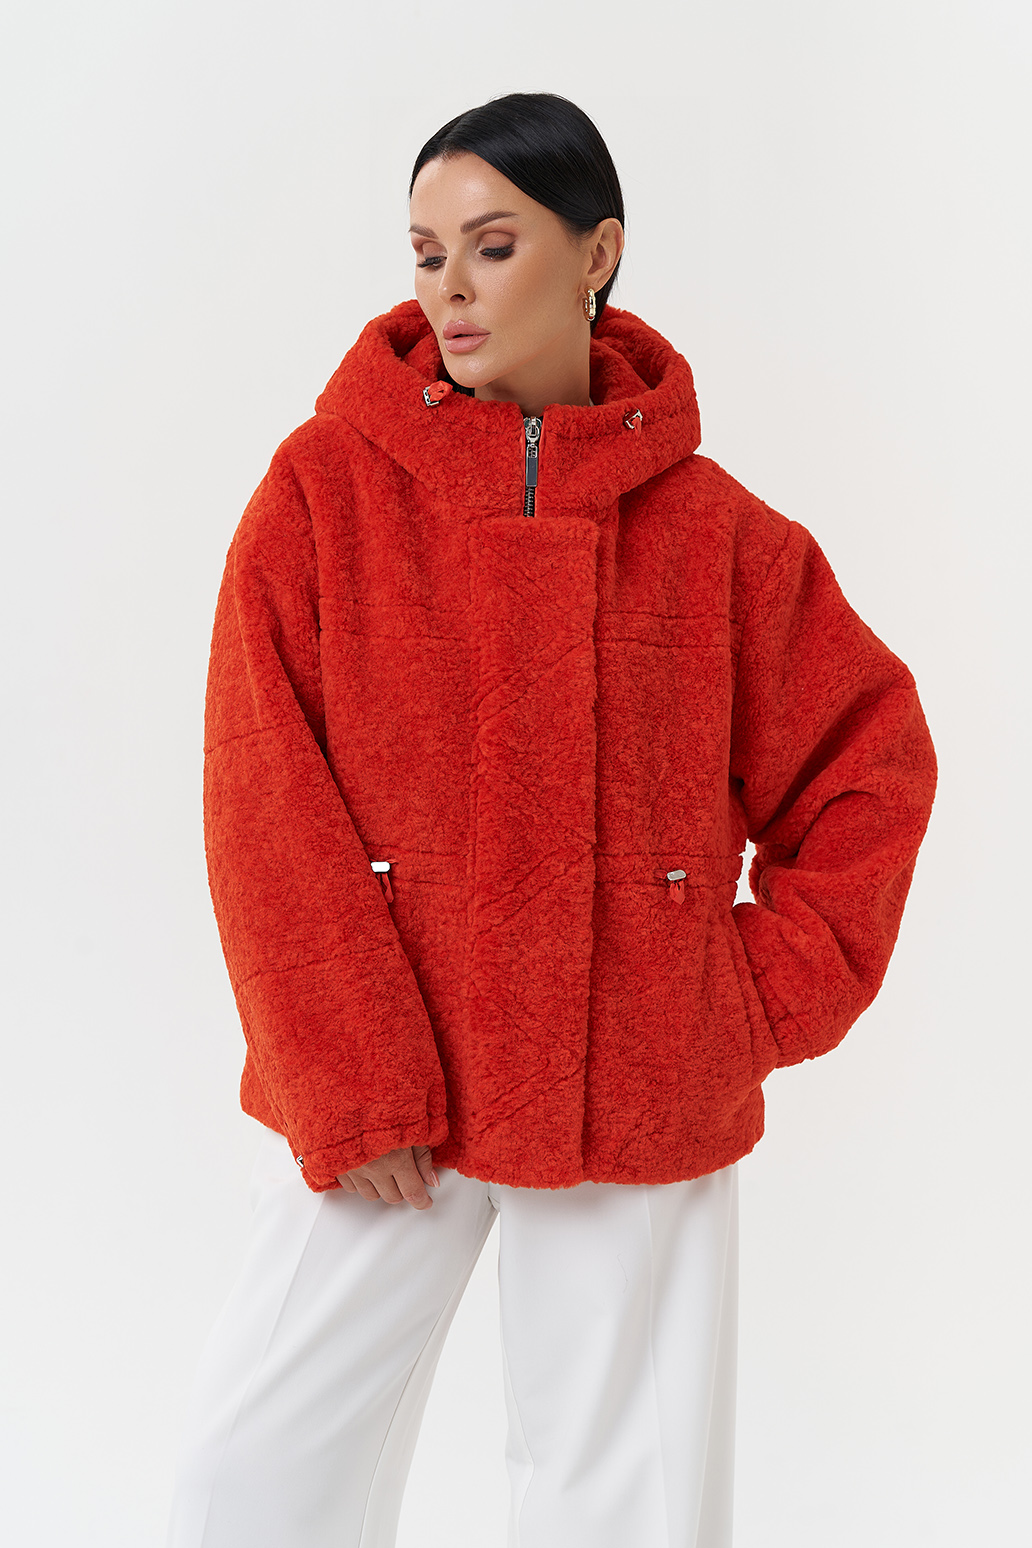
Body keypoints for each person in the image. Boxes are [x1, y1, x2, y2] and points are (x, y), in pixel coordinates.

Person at [165, 93, 937, 1548]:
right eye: (424, 254)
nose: (449, 287)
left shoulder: (717, 536)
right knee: (247, 1479)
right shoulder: (323, 496)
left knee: (625, 1511)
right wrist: (350, 1075)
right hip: (397, 1089)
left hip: (631, 1085)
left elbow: (869, 763)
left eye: (492, 244)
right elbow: (260, 791)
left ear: (598, 253)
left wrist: (736, 1001)